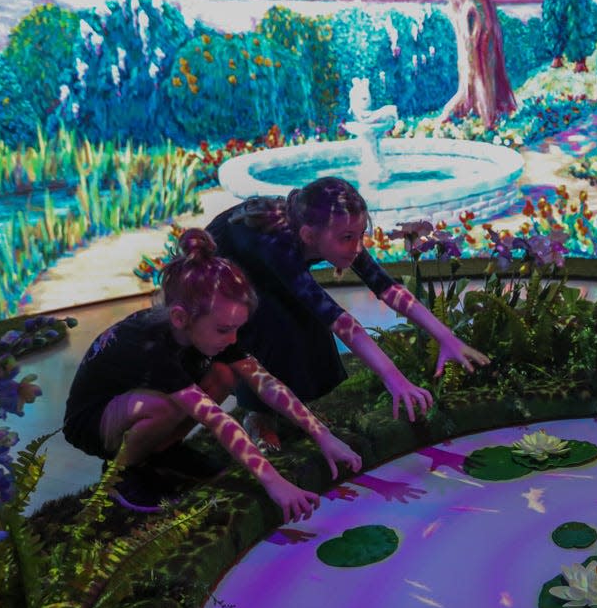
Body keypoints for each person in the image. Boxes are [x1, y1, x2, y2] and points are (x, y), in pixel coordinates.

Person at [62, 229, 361, 520]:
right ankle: (122, 472)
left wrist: (323, 436)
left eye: (236, 329)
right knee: (163, 407)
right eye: (224, 330)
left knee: (223, 374)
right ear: (181, 318)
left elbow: (265, 382)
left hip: (133, 404)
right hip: (93, 422)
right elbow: (214, 418)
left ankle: (162, 452)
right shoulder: (152, 345)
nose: (233, 339)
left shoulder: (206, 329)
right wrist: (274, 482)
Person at [206, 176, 489, 447]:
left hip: (263, 271)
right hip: (222, 277)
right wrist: (394, 378)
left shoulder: (328, 232)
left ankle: (293, 407)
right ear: (308, 235)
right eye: (347, 238)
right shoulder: (279, 245)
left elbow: (386, 288)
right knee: (275, 326)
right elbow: (338, 320)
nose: (356, 247)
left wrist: (447, 338)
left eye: (361, 235)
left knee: (307, 325)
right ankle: (258, 415)